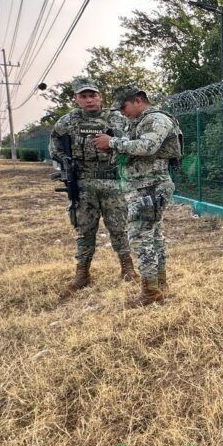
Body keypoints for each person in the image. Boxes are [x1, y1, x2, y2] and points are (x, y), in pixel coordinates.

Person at [93, 85, 183, 308]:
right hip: (144, 186)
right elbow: (134, 151)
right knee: (153, 236)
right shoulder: (138, 122)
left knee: (141, 237)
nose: (122, 112)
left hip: (151, 186)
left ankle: (151, 292)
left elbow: (148, 146)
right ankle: (159, 285)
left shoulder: (157, 119)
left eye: (124, 106)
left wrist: (113, 142)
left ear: (138, 100)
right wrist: (113, 149)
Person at [49, 78, 136, 298]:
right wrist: (65, 161)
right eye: (84, 96)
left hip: (112, 182)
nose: (89, 100)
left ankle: (127, 269)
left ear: (100, 97)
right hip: (83, 184)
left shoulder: (116, 118)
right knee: (84, 230)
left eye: (93, 95)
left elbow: (131, 142)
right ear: (76, 99)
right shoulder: (68, 121)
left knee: (119, 227)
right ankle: (82, 274)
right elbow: (54, 145)